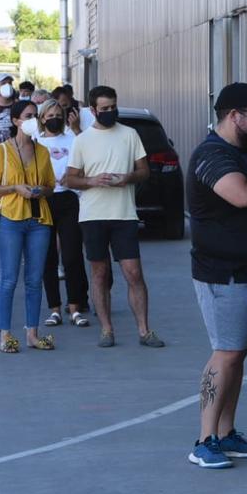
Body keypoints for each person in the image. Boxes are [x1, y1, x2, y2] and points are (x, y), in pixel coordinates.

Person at [185, 82, 247, 469]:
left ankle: (226, 434)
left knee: (237, 354)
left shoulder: (242, 153)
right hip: (220, 275)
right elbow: (243, 195)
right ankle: (205, 439)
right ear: (233, 115)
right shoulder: (212, 156)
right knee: (225, 353)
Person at [64, 85, 165, 349]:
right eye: (104, 109)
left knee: (133, 273)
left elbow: (144, 170)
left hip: (124, 214)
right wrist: (92, 180)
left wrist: (127, 177)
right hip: (93, 215)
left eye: (113, 107)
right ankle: (107, 330)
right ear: (93, 110)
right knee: (99, 273)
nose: (110, 112)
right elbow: (69, 178)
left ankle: (144, 330)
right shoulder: (82, 140)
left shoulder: (130, 135)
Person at [0, 100, 57, 353]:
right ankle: (5, 336)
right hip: (10, 219)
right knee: (9, 279)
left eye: (36, 115)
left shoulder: (42, 151)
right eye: (28, 116)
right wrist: (15, 188)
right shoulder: (2, 151)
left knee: (35, 279)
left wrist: (39, 191)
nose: (34, 119)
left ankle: (32, 333)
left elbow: (51, 185)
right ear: (16, 120)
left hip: (39, 220)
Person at [33, 99, 90, 328]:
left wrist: (73, 178)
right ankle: (54, 308)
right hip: (44, 199)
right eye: (50, 115)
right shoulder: (35, 142)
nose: (54, 118)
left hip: (69, 199)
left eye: (58, 114)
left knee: (72, 255)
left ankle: (75, 307)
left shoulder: (73, 139)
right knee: (47, 257)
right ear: (42, 118)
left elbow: (84, 164)